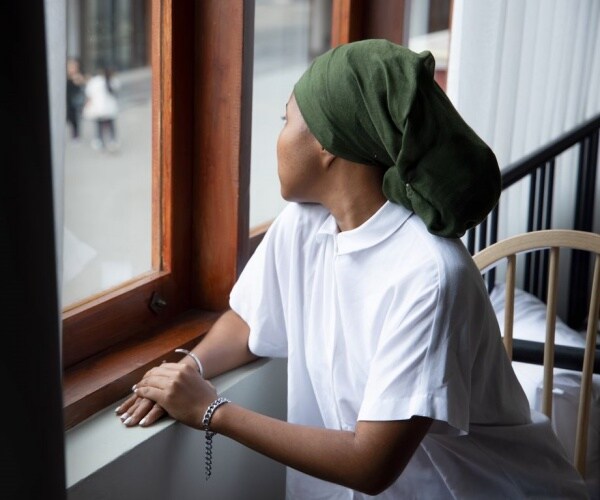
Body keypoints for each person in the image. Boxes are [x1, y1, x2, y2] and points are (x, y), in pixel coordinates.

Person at [116, 40, 588, 498]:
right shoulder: (303, 224)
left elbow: (371, 463)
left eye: (286, 121)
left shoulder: (430, 275)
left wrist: (210, 409)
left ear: (326, 144)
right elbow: (249, 319)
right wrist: (190, 367)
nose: (277, 139)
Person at [83, 66, 120, 152]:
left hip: (98, 108)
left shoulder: (94, 81)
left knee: (99, 125)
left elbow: (89, 94)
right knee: (111, 125)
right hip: (110, 108)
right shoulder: (112, 80)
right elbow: (117, 90)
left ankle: (99, 141)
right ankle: (112, 141)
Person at [66, 58, 85, 140]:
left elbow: (81, 85)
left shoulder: (77, 76)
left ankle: (75, 134)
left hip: (75, 100)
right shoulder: (66, 76)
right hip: (68, 100)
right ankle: (74, 133)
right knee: (70, 117)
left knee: (75, 118)